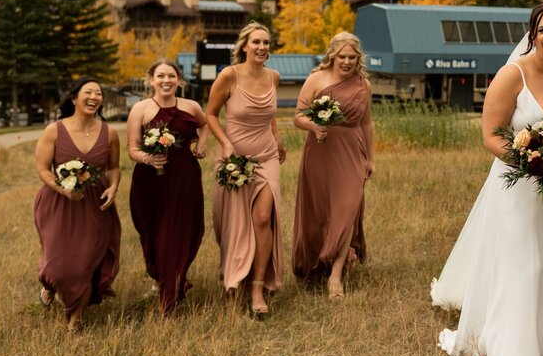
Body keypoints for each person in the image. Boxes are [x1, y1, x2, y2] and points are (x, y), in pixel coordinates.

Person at [433, 2, 543, 356]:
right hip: (518, 189)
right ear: (532, 34)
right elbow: (491, 134)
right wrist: (533, 162)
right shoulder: (512, 74)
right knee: (525, 267)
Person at [206, 21, 287, 317]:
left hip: (266, 156)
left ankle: (256, 287)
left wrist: (278, 140)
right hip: (235, 158)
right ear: (244, 46)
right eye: (256, 42)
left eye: (266, 42)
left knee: (263, 218)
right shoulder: (229, 76)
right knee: (233, 223)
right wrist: (225, 144)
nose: (262, 47)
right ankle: (234, 275)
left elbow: (270, 116)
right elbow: (211, 114)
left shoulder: (274, 77)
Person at [33, 77, 122, 332]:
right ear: (74, 98)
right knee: (59, 264)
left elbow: (114, 168)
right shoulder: (55, 130)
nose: (94, 97)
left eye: (99, 93)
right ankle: (51, 284)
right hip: (58, 204)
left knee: (86, 261)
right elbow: (42, 169)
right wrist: (63, 189)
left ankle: (76, 320)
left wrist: (114, 187)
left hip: (95, 204)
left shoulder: (110, 133)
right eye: (88, 92)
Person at [292, 32, 375, 299]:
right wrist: (313, 125)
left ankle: (336, 275)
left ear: (358, 58)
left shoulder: (363, 85)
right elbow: (298, 115)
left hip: (352, 150)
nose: (347, 62)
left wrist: (370, 158)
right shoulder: (317, 79)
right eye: (343, 57)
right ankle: (317, 262)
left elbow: (367, 123)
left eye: (352, 57)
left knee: (348, 208)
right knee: (319, 211)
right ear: (332, 56)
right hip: (320, 150)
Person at [126, 59, 209, 315]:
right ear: (151, 80)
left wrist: (200, 145)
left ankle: (169, 296)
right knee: (155, 234)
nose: (166, 81)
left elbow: (203, 126)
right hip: (151, 184)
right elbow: (132, 150)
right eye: (160, 76)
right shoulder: (140, 109)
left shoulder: (191, 106)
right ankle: (169, 280)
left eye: (171, 76)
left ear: (179, 80)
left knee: (182, 231)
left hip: (184, 180)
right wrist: (149, 158)